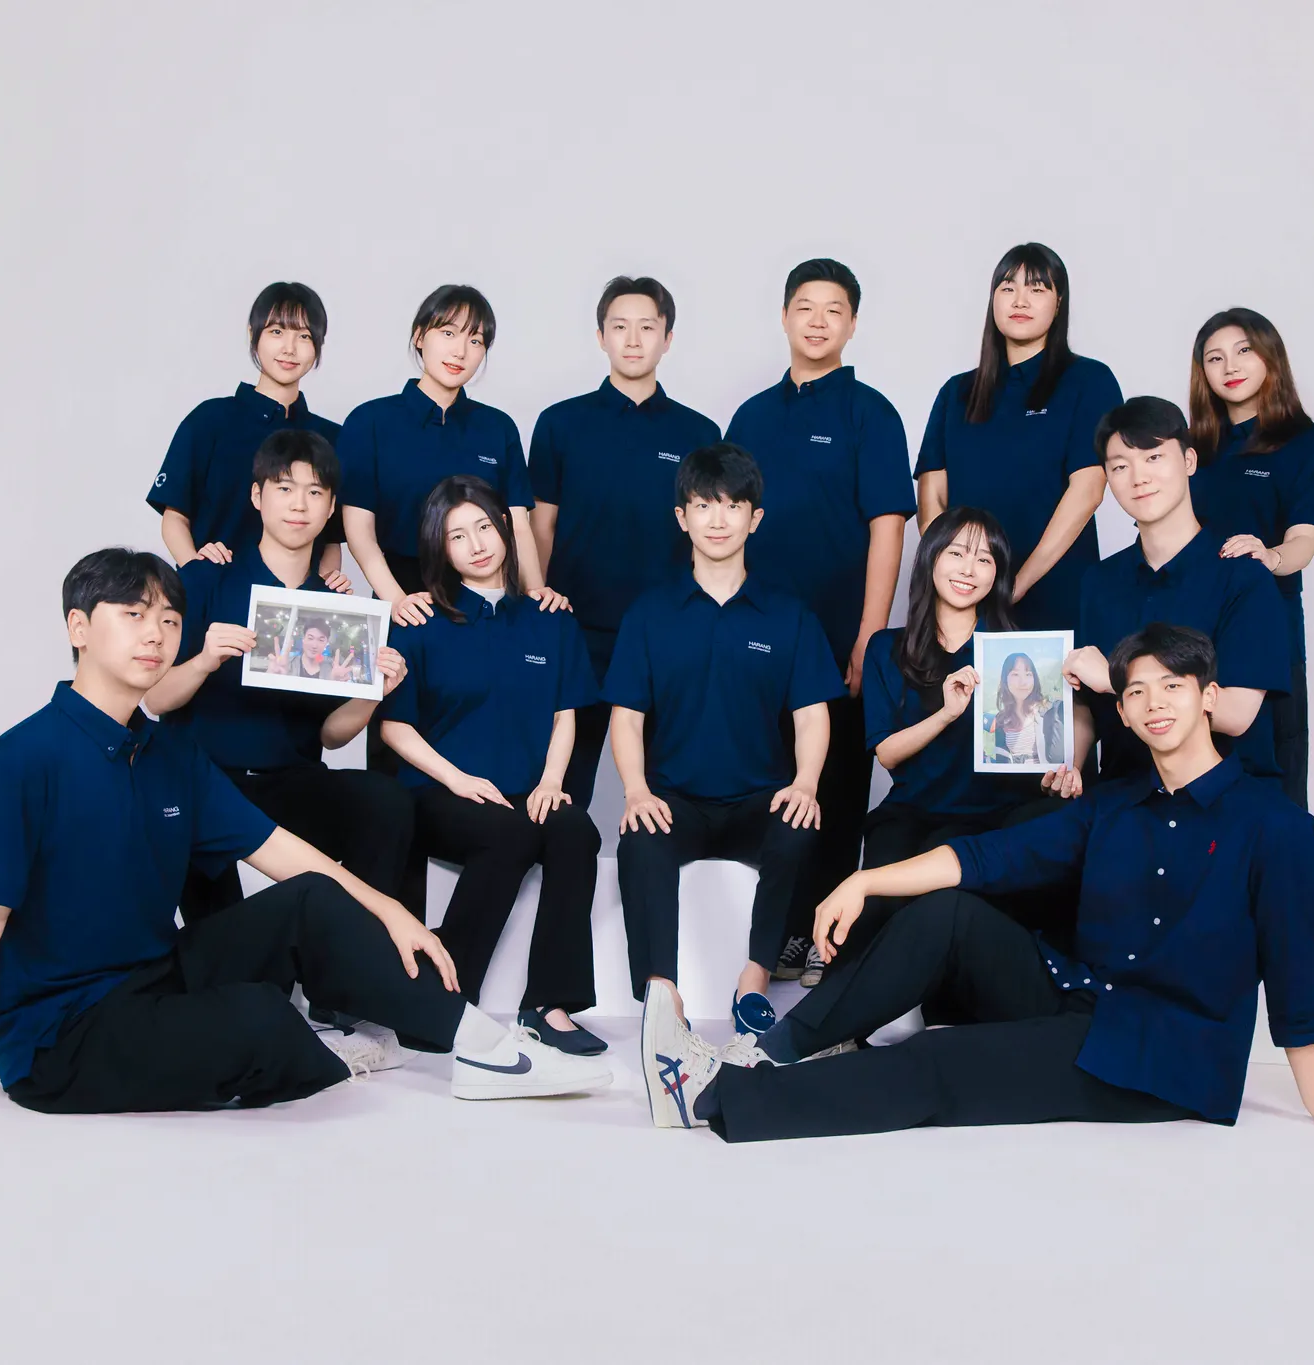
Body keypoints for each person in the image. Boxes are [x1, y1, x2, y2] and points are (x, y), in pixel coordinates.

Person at [0, 549, 612, 1131]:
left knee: (311, 899)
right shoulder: (14, 763)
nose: (157, 633)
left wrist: (392, 912)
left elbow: (284, 852)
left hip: (155, 976)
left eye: (169, 618)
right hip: (63, 1036)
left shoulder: (171, 754)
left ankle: (479, 1047)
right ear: (78, 628)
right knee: (261, 1018)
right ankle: (326, 1052)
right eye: (133, 615)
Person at [640, 624, 1314, 1143]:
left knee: (941, 1064)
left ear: (1208, 696)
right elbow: (987, 858)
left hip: (1160, 1059)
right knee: (948, 913)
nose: (1153, 703)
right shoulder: (1115, 806)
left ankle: (712, 1100)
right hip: (1081, 997)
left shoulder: (1276, 826)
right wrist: (866, 881)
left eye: (1172, 686)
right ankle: (768, 1050)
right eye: (1135, 691)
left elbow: (1294, 968)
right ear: (1122, 709)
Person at [604, 442, 846, 1036]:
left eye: (733, 506)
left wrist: (805, 783)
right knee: (640, 839)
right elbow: (626, 717)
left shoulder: (789, 615)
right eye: (704, 505)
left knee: (799, 824)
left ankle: (754, 983)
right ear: (681, 516)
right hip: (676, 800)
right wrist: (635, 790)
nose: (718, 519)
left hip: (758, 799)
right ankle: (662, 997)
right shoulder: (649, 614)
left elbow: (812, 715)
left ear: (754, 519)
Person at [724, 258, 916, 985]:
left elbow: (888, 528)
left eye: (834, 309)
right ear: (784, 316)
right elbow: (722, 526)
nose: (817, 321)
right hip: (756, 633)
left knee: (834, 787)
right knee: (769, 781)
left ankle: (822, 936)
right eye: (805, 307)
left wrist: (869, 635)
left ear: (852, 324)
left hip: (839, 636)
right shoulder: (750, 417)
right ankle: (772, 934)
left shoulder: (872, 414)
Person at [142, 430, 415, 936]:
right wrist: (204, 661)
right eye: (284, 488)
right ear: (257, 496)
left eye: (314, 492)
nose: (299, 505)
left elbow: (331, 735)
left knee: (386, 803)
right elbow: (155, 699)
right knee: (224, 944)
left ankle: (347, 953)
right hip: (203, 779)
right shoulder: (207, 578)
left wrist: (373, 692)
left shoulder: (336, 608)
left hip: (288, 780)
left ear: (331, 508)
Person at [377, 477, 608, 1056]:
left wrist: (552, 781)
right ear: (440, 547)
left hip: (526, 789)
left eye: (484, 526)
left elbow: (565, 715)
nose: (476, 544)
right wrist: (457, 780)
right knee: (507, 833)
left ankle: (548, 1004)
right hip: (441, 792)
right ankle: (444, 999)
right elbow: (393, 726)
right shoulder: (421, 623)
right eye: (457, 535)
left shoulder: (550, 619)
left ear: (506, 528)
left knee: (576, 830)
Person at [528, 275, 723, 816]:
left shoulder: (699, 433)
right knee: (562, 785)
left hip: (669, 630)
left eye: (647, 328)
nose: (633, 340)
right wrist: (536, 606)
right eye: (619, 327)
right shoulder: (560, 424)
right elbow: (540, 527)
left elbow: (714, 535)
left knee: (670, 786)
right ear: (601, 337)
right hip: (576, 627)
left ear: (668, 338)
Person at [849, 507, 1077, 960]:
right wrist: (945, 715)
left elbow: (1042, 745)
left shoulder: (1021, 653)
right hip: (913, 811)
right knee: (873, 919)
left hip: (996, 815)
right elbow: (887, 754)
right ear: (931, 557)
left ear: (998, 574)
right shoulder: (886, 648)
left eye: (984, 559)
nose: (969, 570)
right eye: (957, 554)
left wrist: (1063, 770)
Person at [1065, 397, 1293, 786]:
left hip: (1223, 798)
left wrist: (1118, 681)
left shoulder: (1242, 577)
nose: (1138, 477)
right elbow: (1087, 701)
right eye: (1120, 466)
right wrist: (1069, 763)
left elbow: (1237, 715)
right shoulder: (1098, 582)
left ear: (1189, 461)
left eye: (1153, 457)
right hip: (1124, 796)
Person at [914, 243, 1122, 633]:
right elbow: (932, 501)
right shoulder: (956, 393)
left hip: (1055, 596)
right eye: (1008, 288)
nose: (1020, 300)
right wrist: (961, 579)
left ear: (1059, 304)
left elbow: (1088, 489)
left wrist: (1016, 584)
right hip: (966, 604)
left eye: (1037, 288)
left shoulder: (1088, 381)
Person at [1187, 308, 1314, 810]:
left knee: (1275, 791)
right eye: (1215, 358)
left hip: (1267, 636)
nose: (1230, 366)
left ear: (1270, 357)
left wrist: (1269, 554)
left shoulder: (1308, 445)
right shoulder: (1191, 450)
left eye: (1243, 351)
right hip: (1191, 635)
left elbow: (1304, 542)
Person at [337, 284, 549, 613]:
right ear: (420, 336)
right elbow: (359, 530)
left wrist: (535, 595)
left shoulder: (497, 427)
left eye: (475, 340)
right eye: (448, 333)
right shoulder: (370, 421)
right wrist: (396, 601)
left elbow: (518, 527)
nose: (460, 351)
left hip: (488, 605)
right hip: (406, 601)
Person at [145, 282, 347, 581]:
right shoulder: (210, 420)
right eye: (276, 331)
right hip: (214, 591)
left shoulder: (331, 438)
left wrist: (320, 592)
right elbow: (175, 517)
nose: (289, 348)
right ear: (253, 335)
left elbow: (331, 539)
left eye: (304, 336)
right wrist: (198, 575)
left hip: (291, 603)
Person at [985, 653, 1059, 766]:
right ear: (1005, 680)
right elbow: (1002, 760)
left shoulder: (1046, 710)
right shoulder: (1002, 719)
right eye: (1015, 674)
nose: (1023, 682)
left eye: (1028, 674)